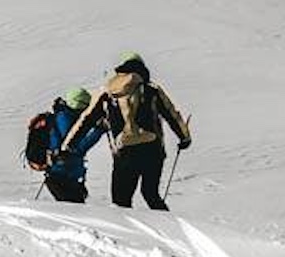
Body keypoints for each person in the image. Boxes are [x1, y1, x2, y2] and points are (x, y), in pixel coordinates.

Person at [63, 53, 192, 210]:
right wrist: (184, 138)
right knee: (151, 194)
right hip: (153, 150)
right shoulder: (152, 90)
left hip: (124, 152)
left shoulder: (107, 92)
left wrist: (68, 144)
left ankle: (127, 233)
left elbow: (85, 120)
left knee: (121, 201)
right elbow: (172, 115)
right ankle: (170, 230)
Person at [29, 86, 99, 202]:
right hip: (62, 175)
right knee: (74, 212)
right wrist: (98, 131)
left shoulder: (66, 116)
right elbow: (75, 147)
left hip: (63, 174)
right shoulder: (65, 119)